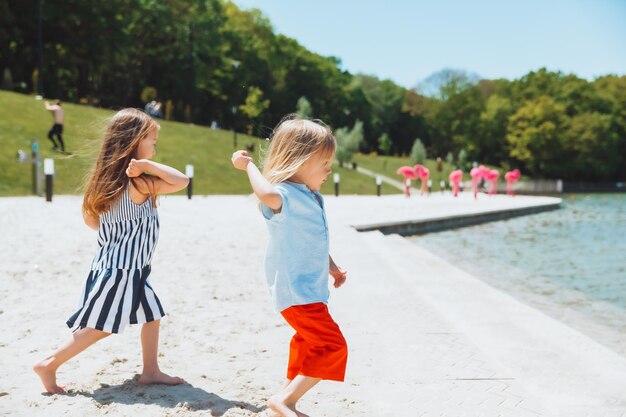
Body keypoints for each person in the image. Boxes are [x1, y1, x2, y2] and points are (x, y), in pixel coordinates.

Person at [33, 108, 189, 394]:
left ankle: (151, 370)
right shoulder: (140, 183)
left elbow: (92, 220)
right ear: (134, 142)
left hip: (121, 267)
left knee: (152, 315)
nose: (155, 146)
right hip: (123, 271)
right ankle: (49, 363)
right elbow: (182, 181)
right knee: (100, 327)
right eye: (152, 141)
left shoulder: (106, 183)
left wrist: (120, 232)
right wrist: (148, 166)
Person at [231, 116, 348, 417]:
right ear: (299, 160)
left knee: (307, 343)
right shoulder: (282, 194)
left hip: (309, 291)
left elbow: (313, 240)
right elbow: (266, 194)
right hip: (297, 293)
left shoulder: (311, 197)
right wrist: (249, 167)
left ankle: (284, 396)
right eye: (324, 162)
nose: (329, 169)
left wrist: (331, 266)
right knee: (334, 346)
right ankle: (285, 401)